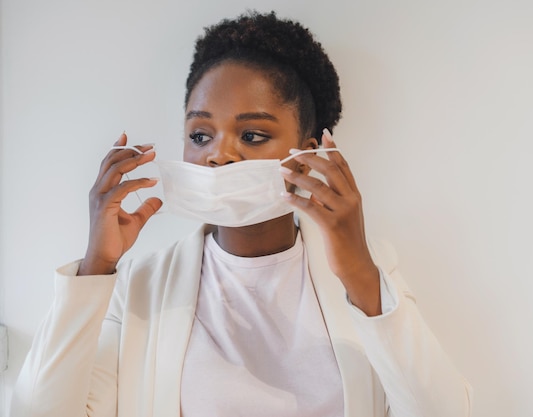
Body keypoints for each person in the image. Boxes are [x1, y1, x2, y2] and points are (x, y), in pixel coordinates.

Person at [11, 11, 472, 417]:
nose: (218, 155)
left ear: (307, 155)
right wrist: (96, 268)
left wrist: (359, 274)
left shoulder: (366, 272)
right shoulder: (139, 287)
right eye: (200, 135)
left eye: (251, 135)